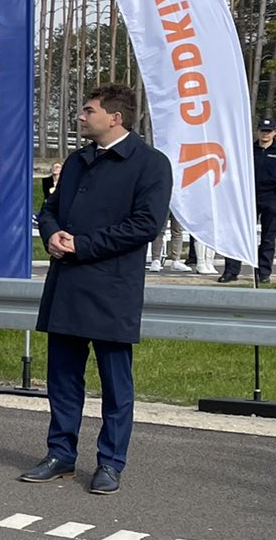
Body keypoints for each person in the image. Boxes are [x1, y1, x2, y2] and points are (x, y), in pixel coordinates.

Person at [21, 85, 173, 496]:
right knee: (63, 378)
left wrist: (83, 246)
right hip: (67, 284)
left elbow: (146, 225)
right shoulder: (77, 161)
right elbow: (50, 209)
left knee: (115, 384)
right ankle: (60, 455)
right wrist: (51, 235)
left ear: (115, 118)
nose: (82, 117)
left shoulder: (150, 164)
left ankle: (110, 463)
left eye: (89, 111)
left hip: (111, 289)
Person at [218, 117, 276, 284]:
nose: (265, 134)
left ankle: (263, 273)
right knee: (238, 234)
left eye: (269, 131)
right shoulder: (247, 150)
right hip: (248, 197)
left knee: (268, 237)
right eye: (262, 130)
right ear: (258, 131)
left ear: (275, 132)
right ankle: (231, 271)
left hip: (273, 198)